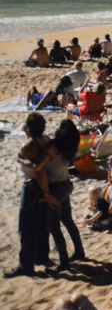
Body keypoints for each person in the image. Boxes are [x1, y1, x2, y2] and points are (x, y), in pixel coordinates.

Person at [35, 120, 85, 269]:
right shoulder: (69, 148)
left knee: (54, 226)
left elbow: (39, 166)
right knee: (68, 220)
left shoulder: (54, 146)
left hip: (56, 188)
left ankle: (64, 262)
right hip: (66, 185)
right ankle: (79, 251)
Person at [5, 113, 49, 278]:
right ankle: (41, 256)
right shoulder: (45, 140)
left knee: (25, 228)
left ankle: (26, 265)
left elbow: (37, 168)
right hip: (42, 187)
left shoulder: (29, 146)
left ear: (29, 128)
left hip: (31, 187)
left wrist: (20, 158)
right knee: (41, 223)